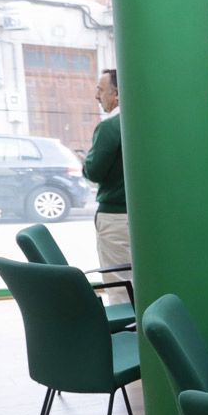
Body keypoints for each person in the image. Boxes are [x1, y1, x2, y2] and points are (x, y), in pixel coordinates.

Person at [83, 68, 130, 304]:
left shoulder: (110, 128)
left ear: (118, 94)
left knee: (119, 284)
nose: (97, 96)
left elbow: (93, 171)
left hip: (116, 220)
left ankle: (127, 337)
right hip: (149, 219)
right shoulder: (152, 124)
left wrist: (85, 160)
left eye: (100, 90)